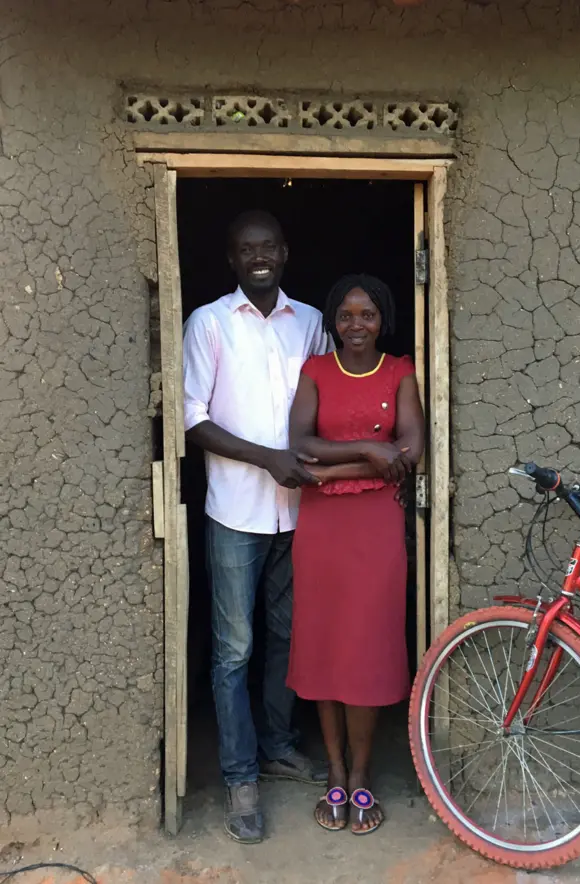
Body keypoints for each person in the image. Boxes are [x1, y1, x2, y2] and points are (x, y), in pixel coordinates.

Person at [182, 210, 332, 845]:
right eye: (246, 249)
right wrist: (268, 457)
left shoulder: (312, 324)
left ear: (285, 251)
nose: (259, 257)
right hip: (238, 512)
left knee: (288, 637)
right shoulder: (210, 323)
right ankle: (241, 776)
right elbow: (192, 420)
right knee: (233, 649)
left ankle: (276, 745)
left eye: (268, 246)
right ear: (232, 259)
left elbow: (328, 399)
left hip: (300, 514)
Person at [287, 273, 425, 835]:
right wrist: (370, 451)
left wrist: (330, 471)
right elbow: (299, 447)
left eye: (367, 314)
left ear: (382, 318)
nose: (356, 324)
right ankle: (335, 773)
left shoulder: (402, 372)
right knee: (324, 647)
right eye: (346, 315)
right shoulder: (316, 371)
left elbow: (412, 449)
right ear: (332, 321)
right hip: (322, 531)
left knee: (365, 649)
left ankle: (363, 776)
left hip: (376, 527)